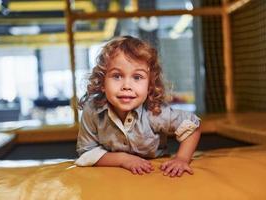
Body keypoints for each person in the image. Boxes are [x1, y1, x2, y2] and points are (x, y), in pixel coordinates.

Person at [75, 36, 201, 177]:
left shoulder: (154, 111)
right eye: (117, 76)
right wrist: (123, 159)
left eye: (137, 77)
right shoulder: (93, 110)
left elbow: (192, 126)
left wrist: (182, 159)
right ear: (103, 83)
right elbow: (86, 152)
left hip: (153, 173)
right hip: (113, 177)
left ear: (149, 86)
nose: (127, 86)